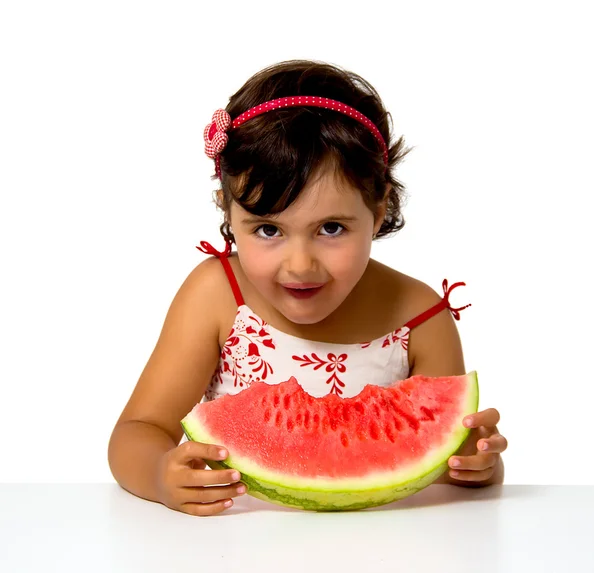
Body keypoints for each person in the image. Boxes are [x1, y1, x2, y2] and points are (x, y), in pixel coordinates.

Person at [108, 59, 507, 517]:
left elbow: (440, 456)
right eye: (268, 230)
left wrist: (475, 464)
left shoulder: (420, 317)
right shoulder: (216, 295)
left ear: (379, 211)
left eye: (331, 228)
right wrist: (160, 474)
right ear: (229, 212)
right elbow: (137, 429)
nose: (300, 265)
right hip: (236, 547)